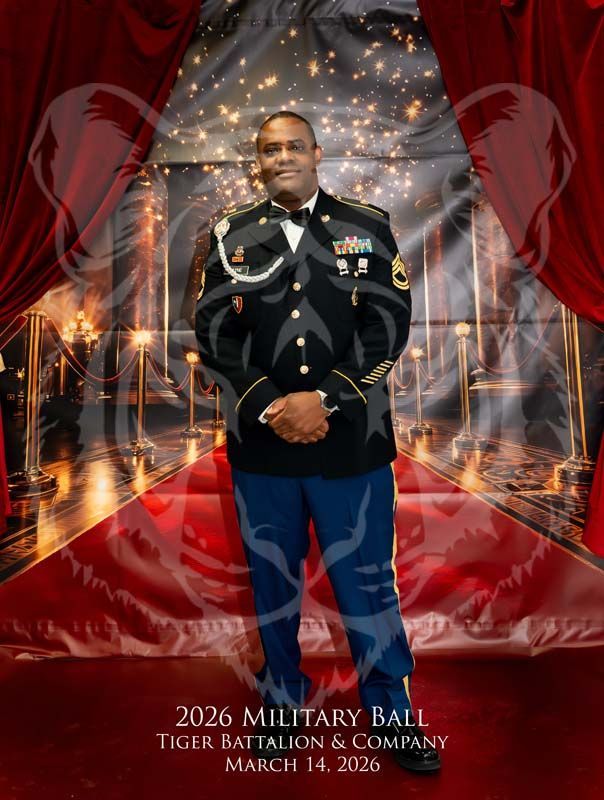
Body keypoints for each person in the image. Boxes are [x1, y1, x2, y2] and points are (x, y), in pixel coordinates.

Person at [195, 111, 440, 772]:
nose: (282, 158)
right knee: (272, 587)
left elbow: (389, 323)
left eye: (293, 147)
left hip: (350, 446)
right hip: (265, 448)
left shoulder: (367, 224)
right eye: (269, 149)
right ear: (259, 160)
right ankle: (281, 704)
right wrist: (272, 404)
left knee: (368, 586)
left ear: (316, 152)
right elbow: (212, 333)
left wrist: (324, 398)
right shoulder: (229, 235)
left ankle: (393, 714)